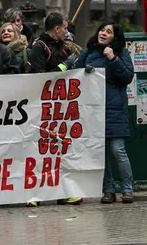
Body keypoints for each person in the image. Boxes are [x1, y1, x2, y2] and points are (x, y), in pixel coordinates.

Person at [76, 20, 135, 204]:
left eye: (108, 32)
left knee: (117, 150)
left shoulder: (121, 53)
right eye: (102, 30)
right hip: (94, 111)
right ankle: (108, 190)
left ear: (114, 38)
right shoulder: (89, 52)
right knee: (100, 154)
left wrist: (113, 59)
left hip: (114, 110)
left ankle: (127, 189)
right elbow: (75, 73)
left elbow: (127, 76)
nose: (103, 33)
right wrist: (85, 72)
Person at [26, 12, 80, 206]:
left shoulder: (63, 46)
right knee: (39, 151)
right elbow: (40, 77)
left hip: (61, 108)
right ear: (57, 29)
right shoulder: (39, 47)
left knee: (59, 151)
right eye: (64, 28)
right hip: (43, 107)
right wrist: (65, 66)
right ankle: (34, 194)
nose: (66, 31)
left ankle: (63, 193)